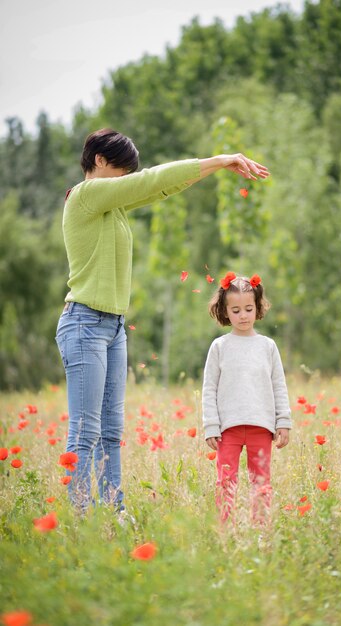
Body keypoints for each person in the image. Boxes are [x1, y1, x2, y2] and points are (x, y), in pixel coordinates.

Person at [55, 128, 269, 514]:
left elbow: (161, 188)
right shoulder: (86, 196)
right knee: (86, 430)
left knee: (111, 431)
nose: (127, 179)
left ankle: (113, 513)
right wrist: (221, 159)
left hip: (113, 327)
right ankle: (80, 517)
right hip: (84, 324)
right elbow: (151, 181)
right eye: (123, 171)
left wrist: (212, 171)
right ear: (100, 161)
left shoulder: (113, 205)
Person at [202, 272, 291, 522]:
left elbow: (278, 386)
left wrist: (282, 421)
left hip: (261, 427)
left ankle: (261, 531)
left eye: (248, 309)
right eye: (236, 310)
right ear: (225, 311)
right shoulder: (219, 347)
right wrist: (211, 424)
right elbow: (209, 388)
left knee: (261, 481)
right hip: (227, 429)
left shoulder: (267, 346)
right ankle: (225, 530)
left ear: (258, 308)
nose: (243, 315)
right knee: (225, 480)